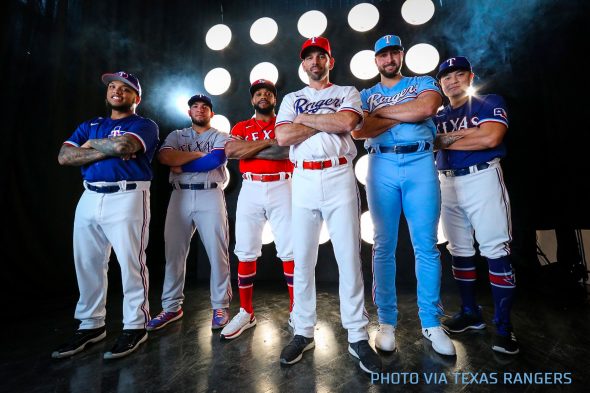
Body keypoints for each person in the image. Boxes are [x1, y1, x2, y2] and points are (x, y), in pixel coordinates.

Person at [275, 36, 381, 374]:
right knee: (302, 258)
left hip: (338, 174)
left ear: (329, 61)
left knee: (348, 257)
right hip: (303, 179)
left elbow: (347, 123)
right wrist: (325, 120)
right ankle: (303, 330)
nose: (315, 62)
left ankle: (356, 334)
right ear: (303, 64)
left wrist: (304, 123)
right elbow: (282, 137)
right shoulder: (293, 97)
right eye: (309, 58)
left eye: (321, 56)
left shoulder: (348, 92)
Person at [352, 35, 456, 356]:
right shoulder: (366, 93)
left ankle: (430, 321)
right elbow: (359, 130)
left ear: (401, 55)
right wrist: (405, 113)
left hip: (420, 161)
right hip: (380, 162)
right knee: (383, 244)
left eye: (393, 53)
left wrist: (382, 114)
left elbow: (426, 106)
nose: (388, 59)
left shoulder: (422, 81)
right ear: (376, 61)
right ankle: (386, 322)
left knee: (425, 244)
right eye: (382, 55)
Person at [54, 71, 159, 359]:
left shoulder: (144, 124)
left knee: (130, 262)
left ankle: (136, 325)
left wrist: (88, 146)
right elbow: (64, 156)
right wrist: (106, 149)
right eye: (112, 87)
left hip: (127, 195)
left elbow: (125, 146)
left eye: (124, 88)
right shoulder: (91, 124)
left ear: (136, 97)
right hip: (89, 195)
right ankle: (91, 325)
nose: (116, 91)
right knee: (87, 262)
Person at [434, 56, 518, 354]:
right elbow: (439, 141)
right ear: (440, 83)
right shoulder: (438, 114)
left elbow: (491, 137)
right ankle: (471, 314)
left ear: (470, 77)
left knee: (495, 249)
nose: (452, 80)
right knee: (459, 250)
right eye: (446, 76)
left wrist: (443, 140)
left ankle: (504, 328)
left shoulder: (488, 101)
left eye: (458, 74)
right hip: (446, 182)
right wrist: (470, 135)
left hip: (481, 177)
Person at [147, 94, 232, 331]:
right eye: (195, 106)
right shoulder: (177, 135)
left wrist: (181, 164)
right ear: (189, 112)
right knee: (173, 253)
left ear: (211, 113)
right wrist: (197, 155)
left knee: (218, 252)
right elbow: (164, 157)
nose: (200, 109)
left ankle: (220, 305)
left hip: (210, 193)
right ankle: (171, 307)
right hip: (180, 194)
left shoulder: (220, 135)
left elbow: (214, 160)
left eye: (205, 107)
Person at [221, 79, 295, 340]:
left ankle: (297, 310)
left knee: (290, 249)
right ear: (252, 99)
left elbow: (285, 152)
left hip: (283, 186)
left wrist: (250, 150)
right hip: (250, 188)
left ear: (275, 99)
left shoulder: (284, 123)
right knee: (245, 250)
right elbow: (231, 150)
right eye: (258, 93)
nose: (263, 96)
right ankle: (246, 312)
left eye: (268, 93)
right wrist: (267, 144)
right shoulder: (242, 126)